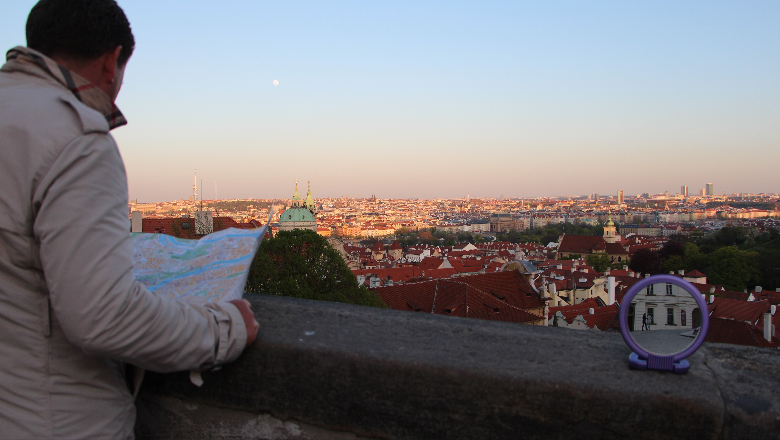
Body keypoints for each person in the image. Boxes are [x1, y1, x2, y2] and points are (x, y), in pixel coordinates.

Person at [0, 0, 259, 438]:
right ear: (111, 61)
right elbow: (103, 316)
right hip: (56, 420)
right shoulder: (75, 138)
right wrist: (225, 328)